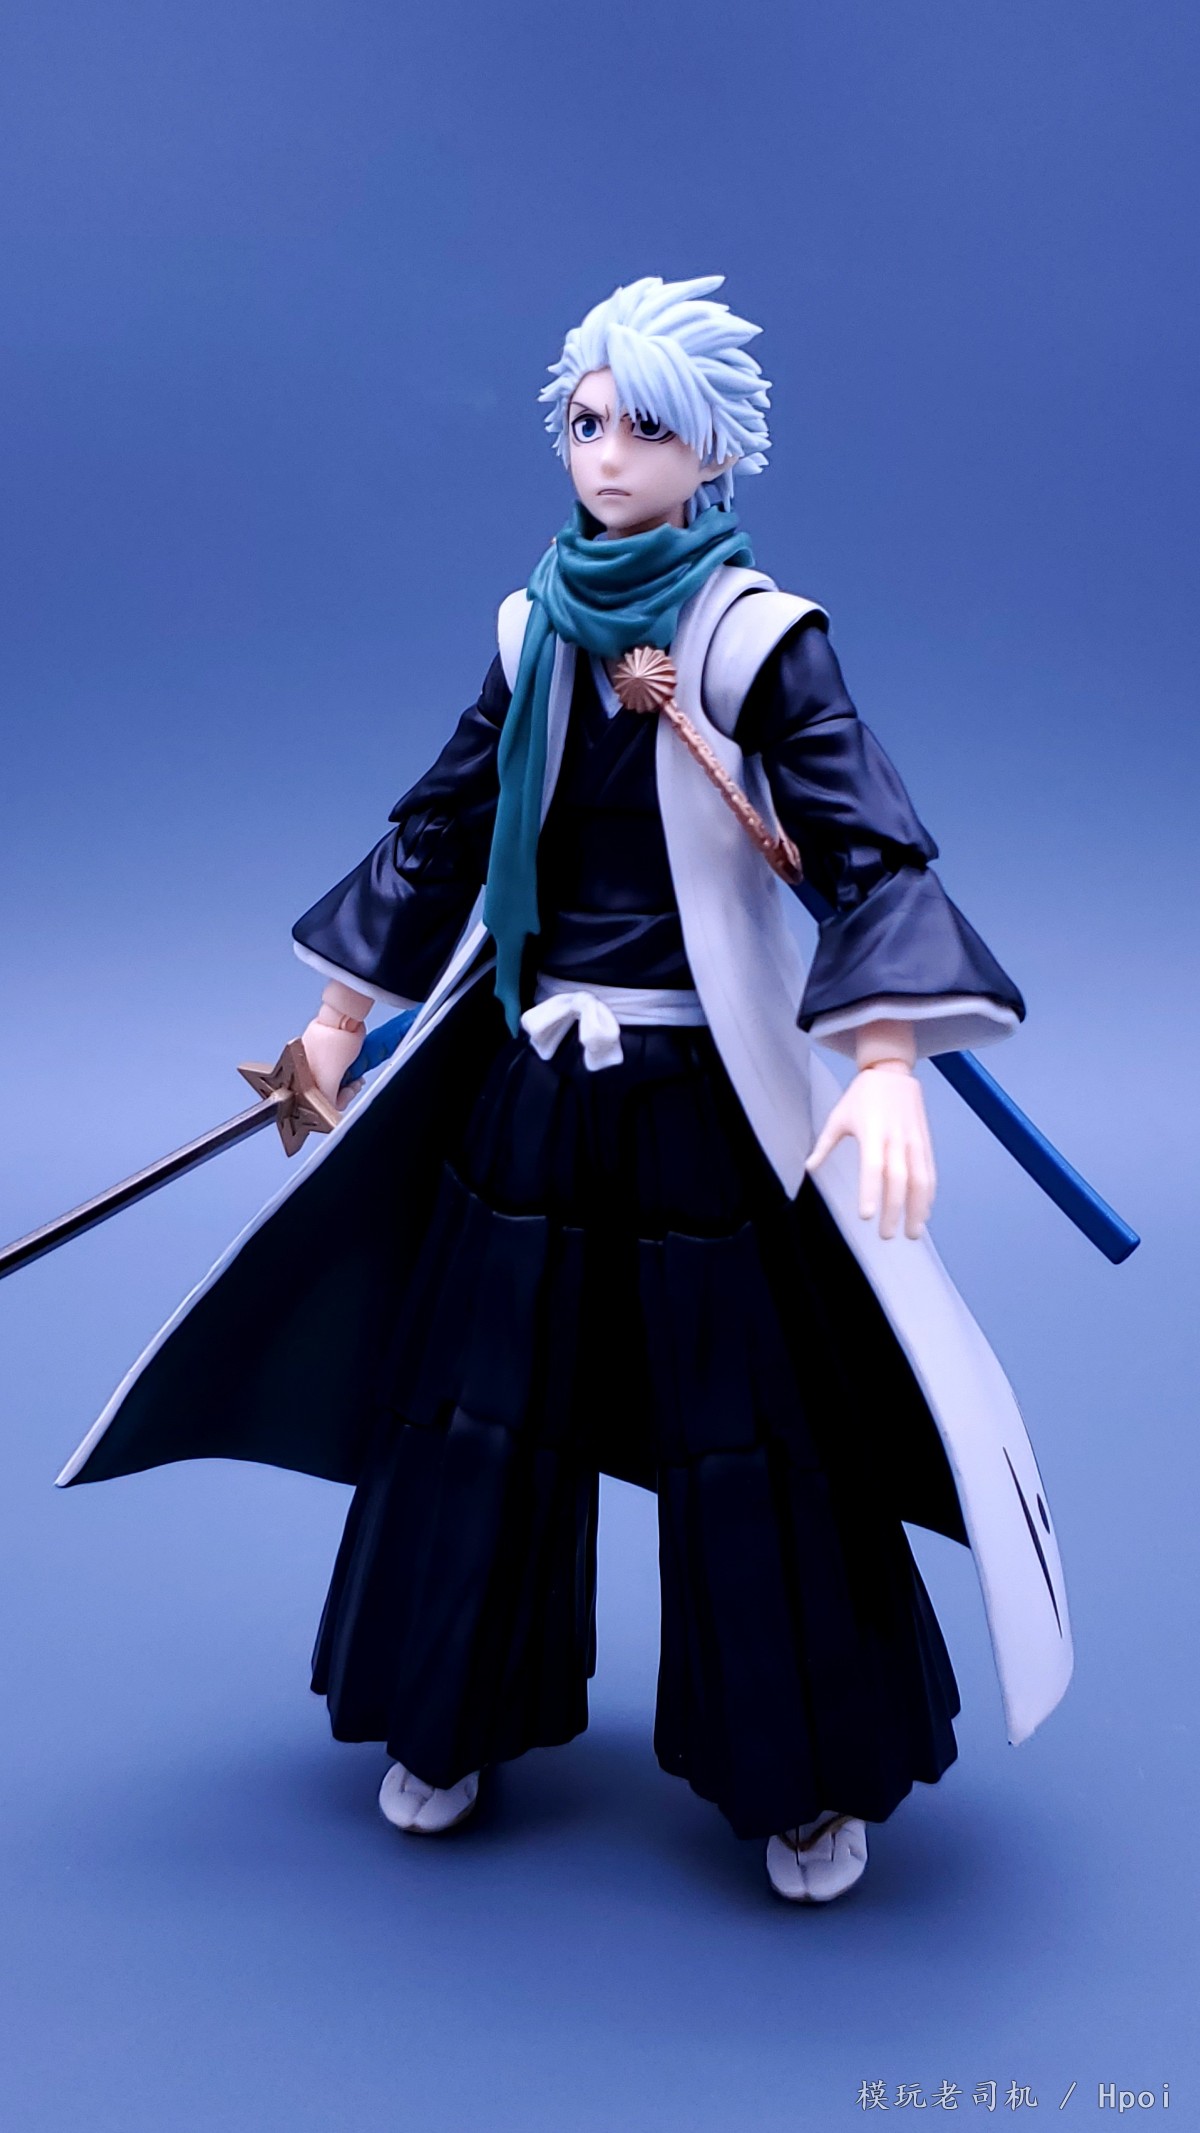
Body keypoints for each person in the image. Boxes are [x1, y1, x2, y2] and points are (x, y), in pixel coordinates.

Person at [58, 276, 1071, 1905]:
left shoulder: (757, 638)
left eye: (645, 426)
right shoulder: (534, 627)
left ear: (711, 452)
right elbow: (440, 828)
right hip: (535, 1070)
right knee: (481, 1407)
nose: (607, 454)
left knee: (750, 1432)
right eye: (588, 421)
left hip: (700, 1092)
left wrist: (887, 1060)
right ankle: (448, 1708)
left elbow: (871, 847)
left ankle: (800, 1767)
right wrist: (332, 1020)